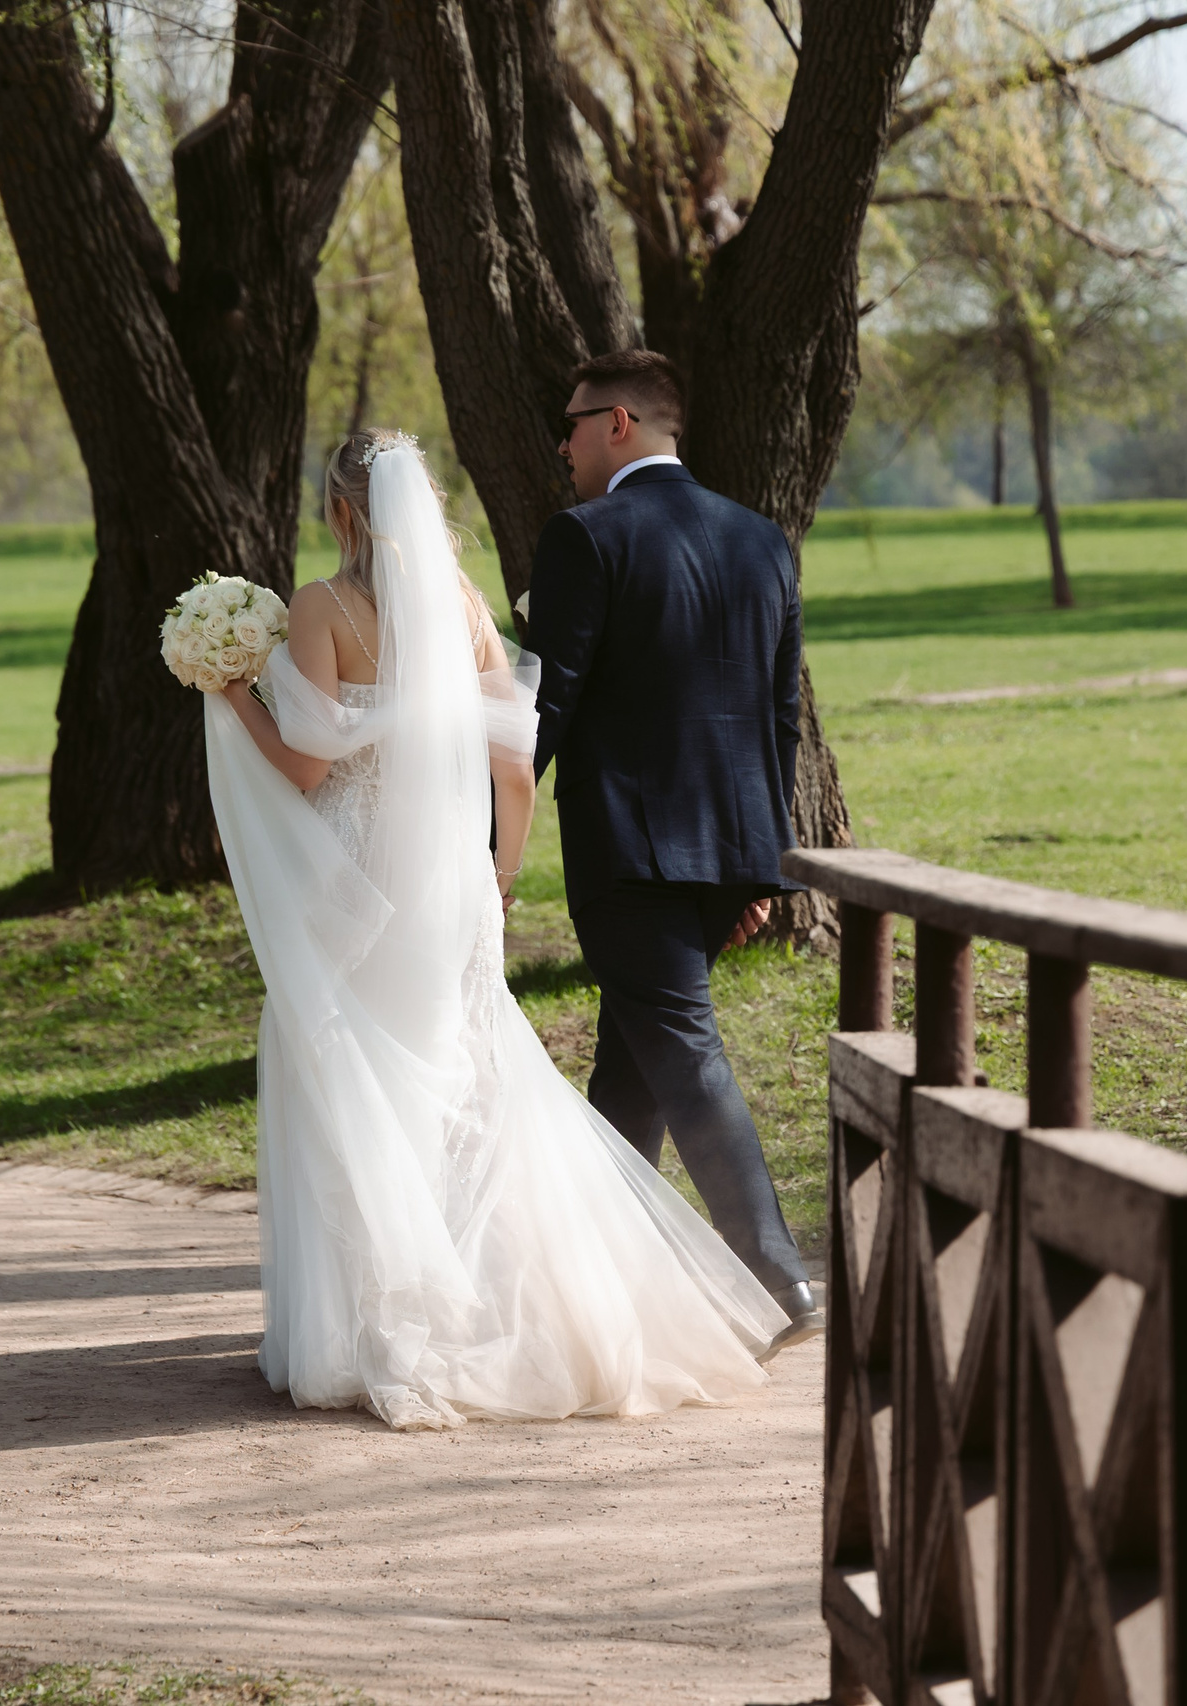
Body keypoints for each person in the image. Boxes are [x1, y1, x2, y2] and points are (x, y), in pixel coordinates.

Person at [201, 427, 794, 1431]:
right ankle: (502, 1307)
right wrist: (499, 875)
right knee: (466, 1077)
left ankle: (364, 1329)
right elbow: (513, 768)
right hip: (451, 880)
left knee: (352, 1071)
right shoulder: (468, 611)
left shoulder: (321, 606)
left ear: (341, 512)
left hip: (357, 874)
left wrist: (231, 697)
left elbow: (305, 765)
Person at [527, 349, 824, 1350]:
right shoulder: (760, 539)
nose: (561, 446)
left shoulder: (584, 536)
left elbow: (548, 706)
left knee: (682, 1054)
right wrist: (760, 865)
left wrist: (476, 837)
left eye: (570, 424)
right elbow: (778, 718)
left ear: (617, 422)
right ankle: (600, 1284)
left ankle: (779, 1280)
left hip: (630, 851)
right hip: (727, 848)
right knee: (632, 1070)